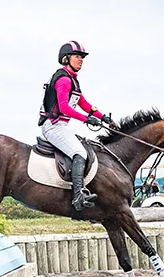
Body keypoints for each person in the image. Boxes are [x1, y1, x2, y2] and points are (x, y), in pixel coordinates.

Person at [39, 40, 115, 210]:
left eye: (82, 57)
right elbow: (64, 107)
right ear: (66, 59)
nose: (81, 60)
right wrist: (86, 119)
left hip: (61, 126)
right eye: (77, 57)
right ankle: (77, 196)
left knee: (87, 148)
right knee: (79, 152)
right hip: (52, 125)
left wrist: (102, 117)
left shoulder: (73, 81)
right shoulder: (64, 80)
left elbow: (84, 104)